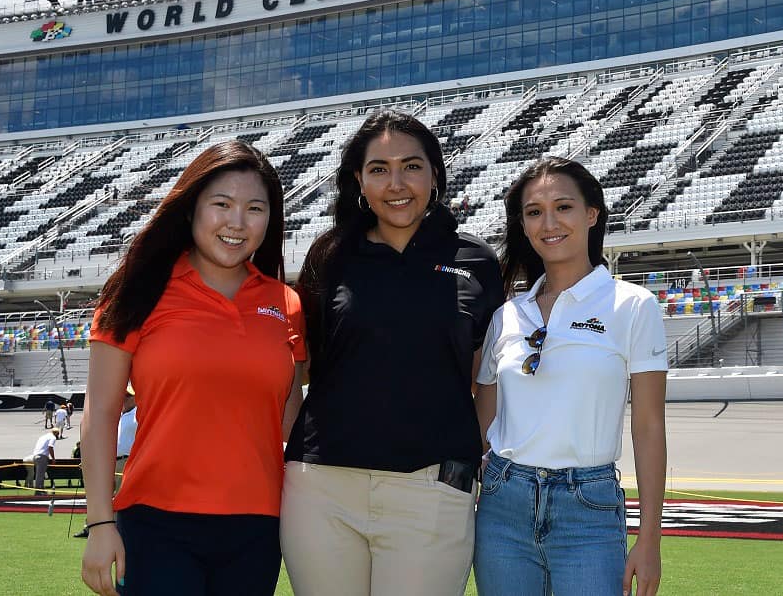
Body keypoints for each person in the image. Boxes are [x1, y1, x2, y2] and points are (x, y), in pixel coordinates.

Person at [282, 110, 504, 596]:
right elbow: (302, 369)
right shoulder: (329, 256)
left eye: (412, 165)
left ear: (435, 174)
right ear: (358, 180)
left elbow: (483, 379)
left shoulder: (477, 261)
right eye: (379, 169)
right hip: (321, 488)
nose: (396, 183)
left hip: (431, 487)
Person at [81, 140, 304, 596]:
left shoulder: (288, 305)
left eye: (254, 208)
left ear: (270, 219)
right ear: (191, 209)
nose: (236, 222)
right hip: (155, 525)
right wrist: (101, 523)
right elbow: (100, 415)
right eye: (221, 204)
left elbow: (293, 422)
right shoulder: (135, 293)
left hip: (257, 529)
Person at [474, 157, 669, 596]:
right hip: (504, 504)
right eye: (534, 212)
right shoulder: (506, 315)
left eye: (563, 207)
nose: (549, 223)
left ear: (592, 214)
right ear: (523, 225)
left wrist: (650, 538)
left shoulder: (633, 305)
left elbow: (649, 426)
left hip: (589, 507)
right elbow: (483, 421)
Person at [114, 386, 137, 494]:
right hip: (113, 462)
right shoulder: (119, 415)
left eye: (128, 396)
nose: (124, 398)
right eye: (122, 395)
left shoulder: (138, 414)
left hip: (127, 461)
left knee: (121, 496)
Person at [32, 428, 58, 496]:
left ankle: (41, 490)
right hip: (42, 457)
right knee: (40, 475)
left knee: (40, 474)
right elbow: (50, 447)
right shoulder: (53, 437)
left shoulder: (43, 437)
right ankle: (38, 491)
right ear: (56, 433)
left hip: (35, 456)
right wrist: (53, 458)